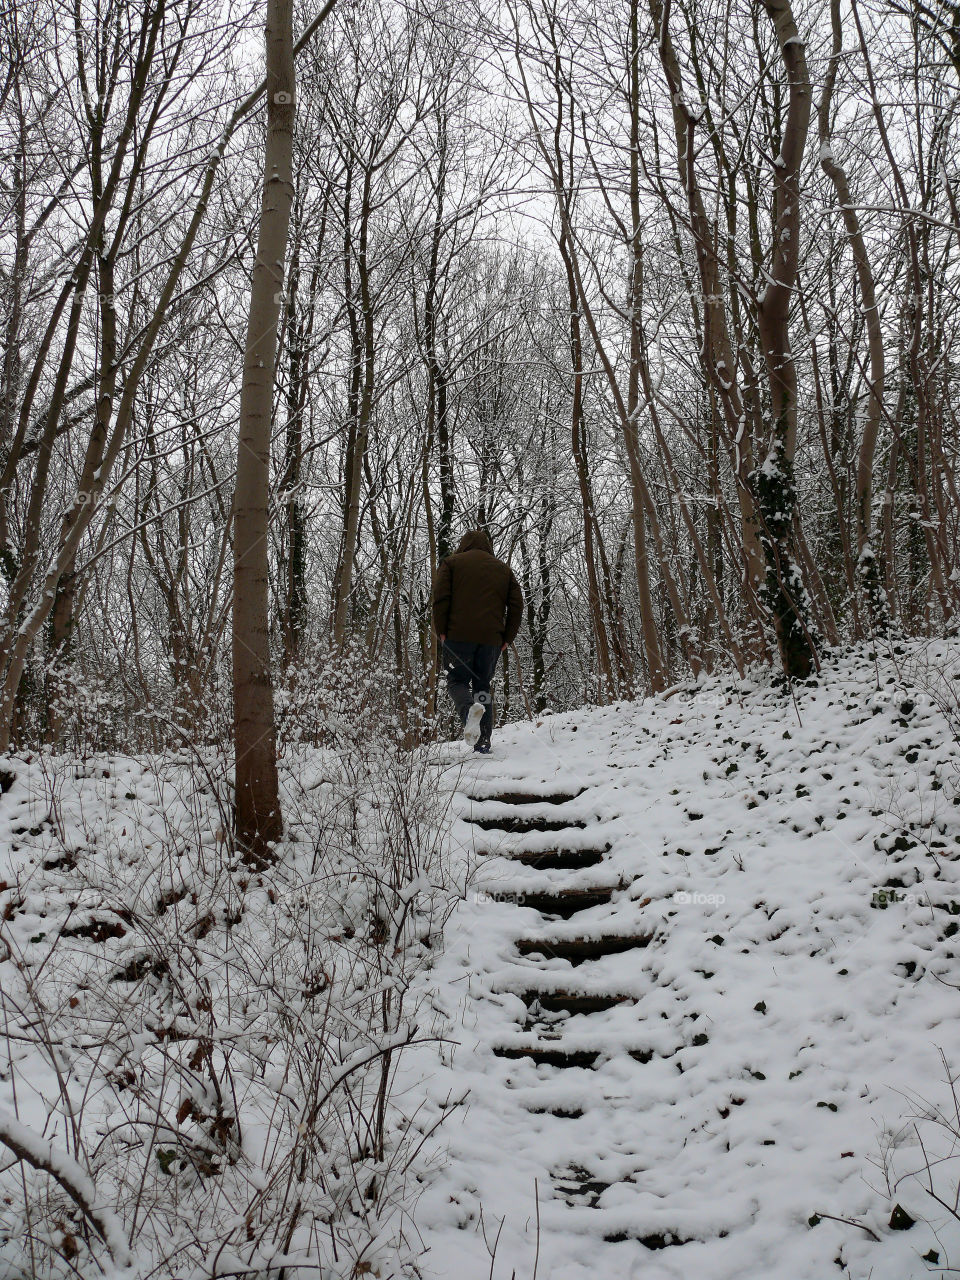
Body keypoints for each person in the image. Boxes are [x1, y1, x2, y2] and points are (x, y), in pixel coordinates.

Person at [431, 528, 523, 753]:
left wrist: (441, 630)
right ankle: (482, 743)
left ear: (464, 544)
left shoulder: (451, 564)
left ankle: (468, 711)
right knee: (482, 685)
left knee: (457, 681)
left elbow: (440, 599)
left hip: (458, 636)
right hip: (491, 640)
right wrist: (507, 638)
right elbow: (517, 606)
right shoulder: (504, 570)